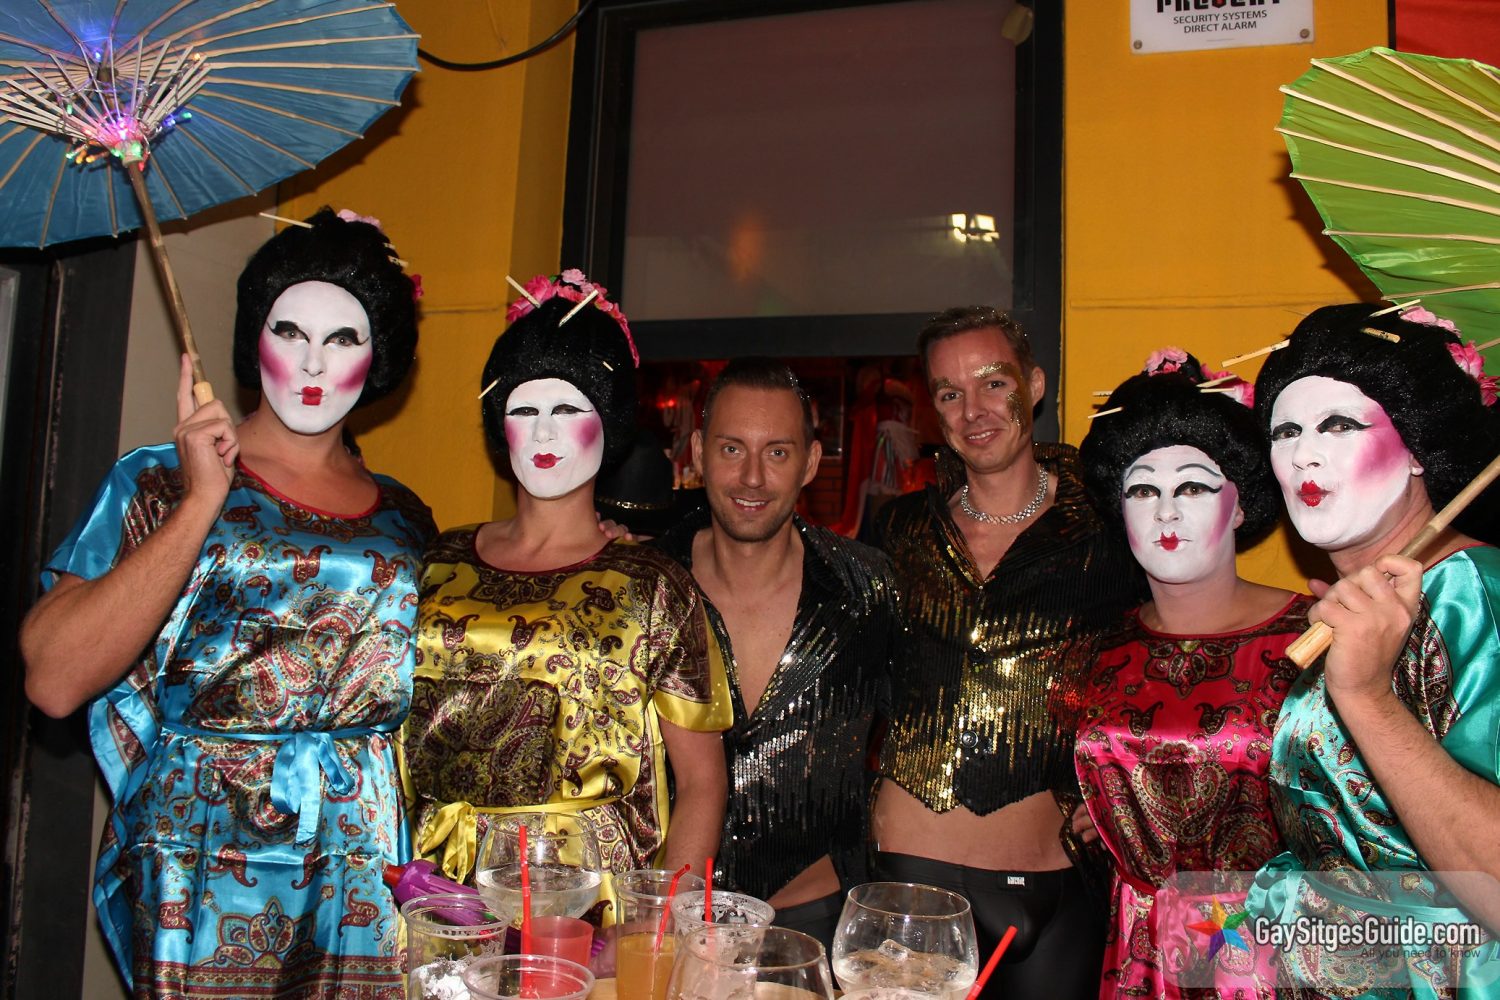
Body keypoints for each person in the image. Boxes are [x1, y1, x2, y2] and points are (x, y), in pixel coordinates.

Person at [21, 209, 433, 997]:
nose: (313, 360)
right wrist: (201, 502)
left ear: (379, 354)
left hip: (361, 854)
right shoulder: (159, 480)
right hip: (203, 854)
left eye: (343, 338)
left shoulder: (408, 520)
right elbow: (53, 678)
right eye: (290, 331)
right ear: (254, 339)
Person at [400, 272, 731, 924]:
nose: (545, 435)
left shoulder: (652, 586)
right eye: (525, 411)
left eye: (568, 411)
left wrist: (657, 930)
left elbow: (702, 783)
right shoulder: (437, 563)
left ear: (609, 424)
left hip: (588, 900)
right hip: (438, 883)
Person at [870, 305, 1142, 998]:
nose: (973, 411)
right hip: (912, 878)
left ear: (1035, 384)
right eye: (949, 393)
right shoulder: (897, 531)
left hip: (1060, 880)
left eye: (993, 383)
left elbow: (1164, 656)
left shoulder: (1112, 528)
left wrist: (1128, 780)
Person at [1246, 303, 1500, 997]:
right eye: (1286, 431)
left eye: (1338, 424)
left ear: (1417, 446)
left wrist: (1366, 697)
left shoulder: (1474, 595)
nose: (1304, 454)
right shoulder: (1351, 605)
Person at [1075, 350, 1310, 999]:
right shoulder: (1103, 647)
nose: (1165, 513)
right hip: (1137, 951)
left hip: (1264, 958)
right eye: (1142, 490)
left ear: (1240, 506)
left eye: (1193, 488)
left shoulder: (1313, 639)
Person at [652, 357, 898, 954]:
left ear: (810, 462)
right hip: (671, 920)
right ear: (698, 452)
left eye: (778, 452)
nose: (753, 477)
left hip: (819, 921)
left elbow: (916, 740)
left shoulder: (869, 590)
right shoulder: (646, 583)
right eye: (732, 449)